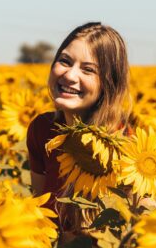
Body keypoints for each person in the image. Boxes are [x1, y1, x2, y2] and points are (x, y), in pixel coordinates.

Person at [26, 22, 131, 214]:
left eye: (88, 69)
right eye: (65, 61)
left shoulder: (126, 143)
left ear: (109, 84)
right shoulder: (42, 130)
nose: (70, 75)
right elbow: (38, 209)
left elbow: (129, 222)